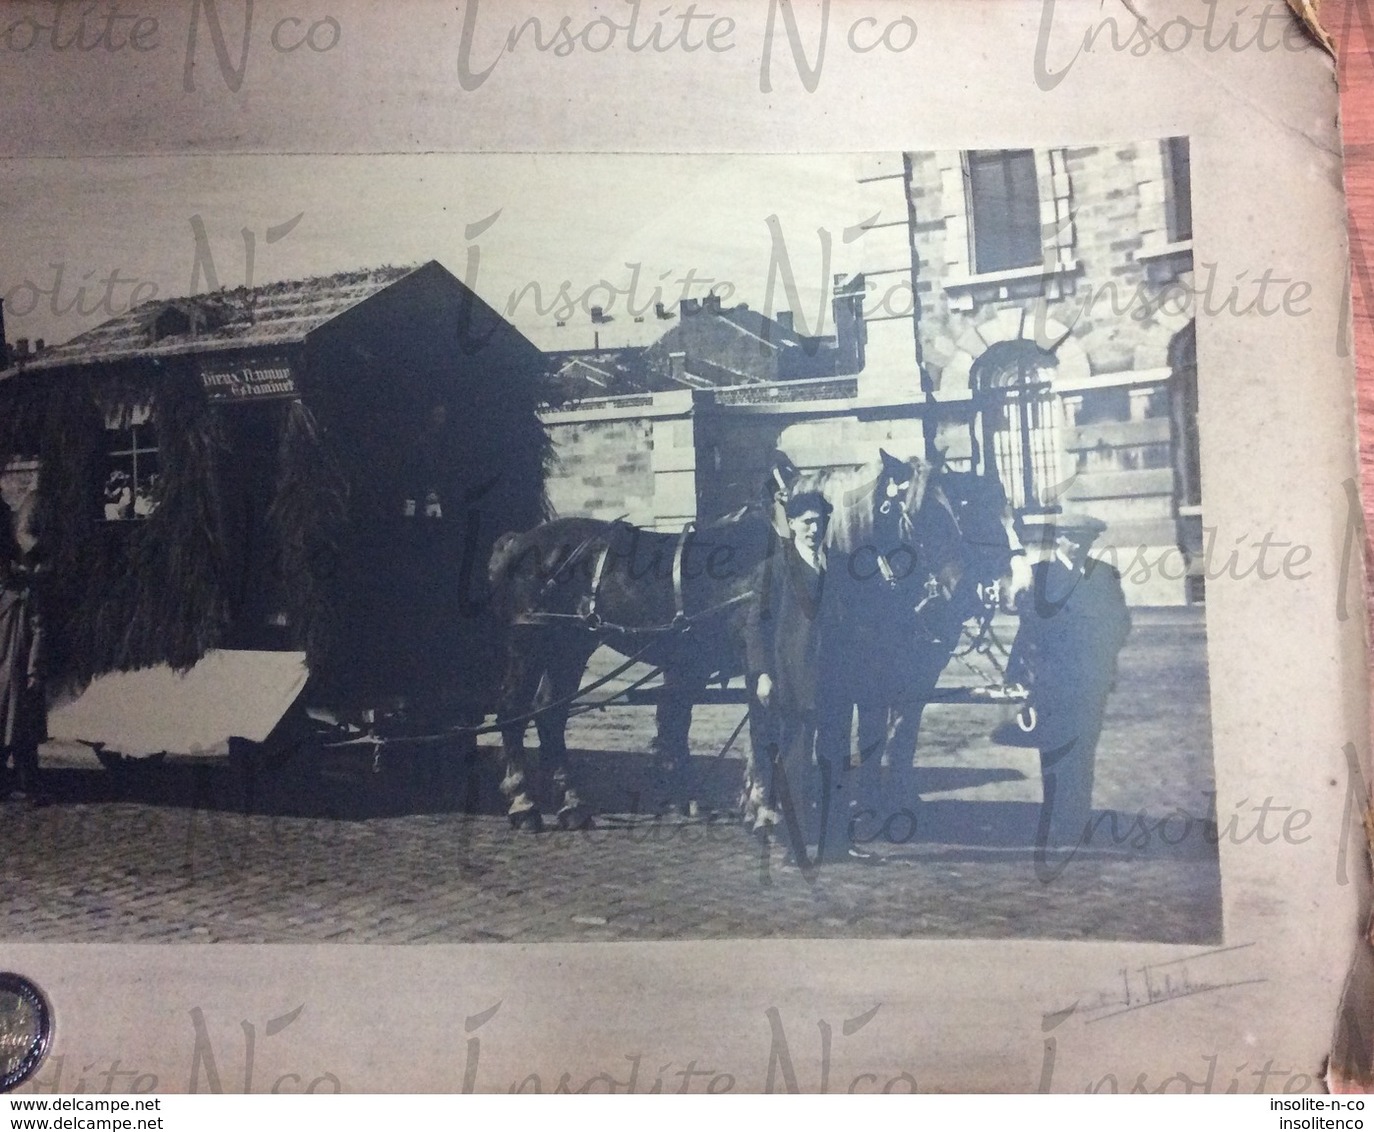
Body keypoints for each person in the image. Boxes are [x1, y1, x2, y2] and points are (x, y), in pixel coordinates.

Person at [743, 490, 878, 867]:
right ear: (792, 524)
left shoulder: (840, 566)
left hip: (836, 682)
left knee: (835, 763)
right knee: (796, 764)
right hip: (792, 682)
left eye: (820, 522)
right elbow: (756, 626)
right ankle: (795, 844)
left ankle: (836, 842)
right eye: (806, 522)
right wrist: (762, 674)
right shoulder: (775, 569)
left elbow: (852, 622)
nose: (814, 529)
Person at [993, 512, 1131, 848]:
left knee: (1083, 751)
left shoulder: (1104, 575)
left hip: (1091, 680)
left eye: (1087, 540)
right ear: (1060, 539)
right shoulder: (1038, 576)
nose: (1081, 545)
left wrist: (1100, 651)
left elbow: (1121, 622)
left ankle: (1078, 820)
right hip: (1051, 681)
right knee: (1054, 751)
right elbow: (1031, 626)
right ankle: (1057, 821)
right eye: (1074, 539)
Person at [0, 510, 47, 805]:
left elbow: (40, 630)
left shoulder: (25, 594)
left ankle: (28, 787)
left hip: (16, 669)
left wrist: (33, 670)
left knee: (22, 734)